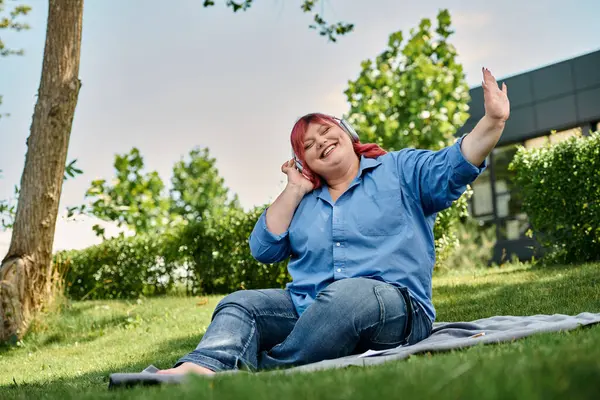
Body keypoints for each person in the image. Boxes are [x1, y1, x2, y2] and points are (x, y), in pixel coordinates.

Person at [157, 67, 510, 376]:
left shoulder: (400, 170)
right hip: (307, 309)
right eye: (308, 145)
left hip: (396, 309)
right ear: (304, 163)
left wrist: (493, 122)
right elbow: (263, 248)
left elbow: (455, 164)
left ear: (348, 133)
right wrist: (294, 190)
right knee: (239, 304)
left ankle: (268, 369)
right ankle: (203, 367)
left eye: (325, 131)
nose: (320, 142)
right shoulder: (304, 200)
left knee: (349, 293)